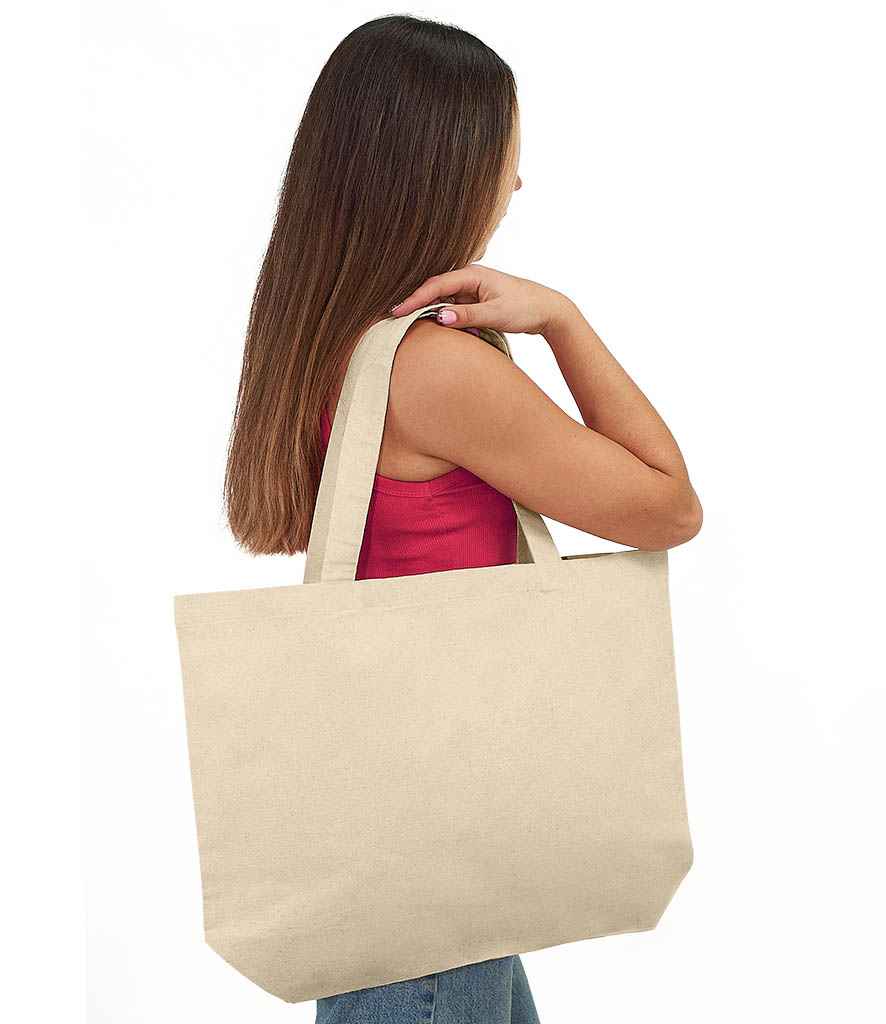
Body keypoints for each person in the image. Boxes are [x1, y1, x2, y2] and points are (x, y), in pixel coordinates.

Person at [224, 13, 703, 1024]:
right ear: (443, 170)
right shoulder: (434, 368)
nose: (516, 183)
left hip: (386, 820)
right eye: (504, 155)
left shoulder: (323, 336)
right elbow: (668, 505)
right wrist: (563, 319)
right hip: (435, 837)